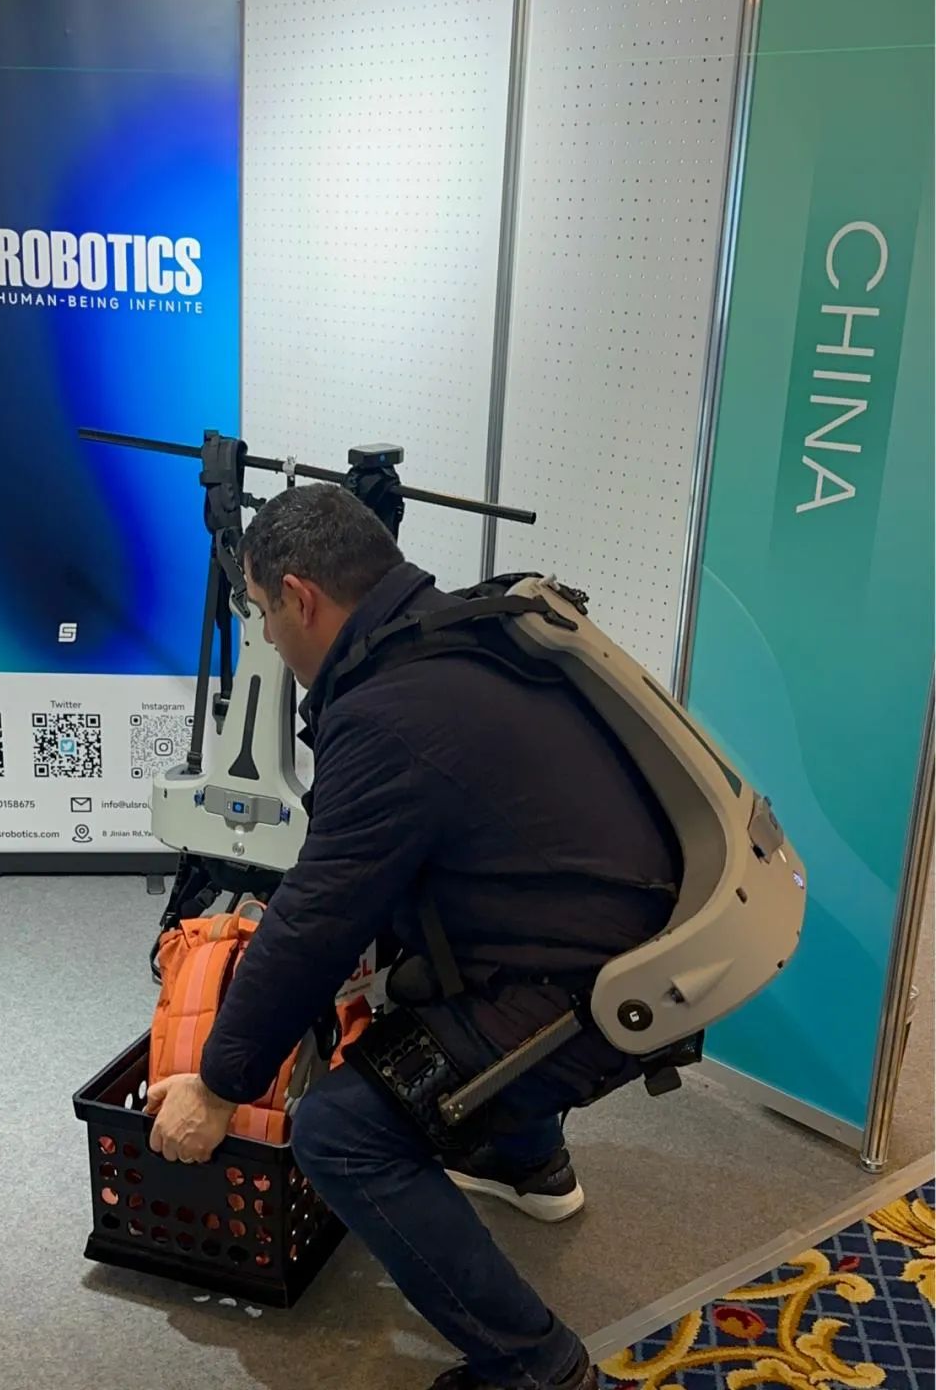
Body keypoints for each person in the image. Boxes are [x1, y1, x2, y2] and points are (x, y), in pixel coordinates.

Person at [145, 483, 681, 1390]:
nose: (266, 633)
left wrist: (221, 1086)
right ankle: (527, 1161)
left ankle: (534, 1366)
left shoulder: (389, 712)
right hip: (612, 929)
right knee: (413, 987)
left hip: (585, 984)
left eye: (263, 612)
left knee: (339, 1129)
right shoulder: (457, 635)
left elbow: (316, 919)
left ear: (301, 597)